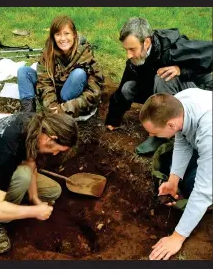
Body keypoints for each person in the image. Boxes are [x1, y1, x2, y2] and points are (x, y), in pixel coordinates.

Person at [0, 111, 78, 254]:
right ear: (51, 138)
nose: (55, 154)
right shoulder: (7, 148)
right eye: (58, 150)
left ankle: (8, 200)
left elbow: (30, 161)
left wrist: (34, 198)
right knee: (22, 177)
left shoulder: (36, 124)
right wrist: (35, 211)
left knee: (53, 191)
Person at [105, 17, 212, 155]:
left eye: (132, 49)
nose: (128, 55)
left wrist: (181, 70)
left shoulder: (173, 49)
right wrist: (113, 118)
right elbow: (123, 86)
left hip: (199, 91)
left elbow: (209, 57)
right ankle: (159, 122)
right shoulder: (136, 59)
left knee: (164, 77)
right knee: (129, 87)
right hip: (164, 91)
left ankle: (161, 135)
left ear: (147, 42)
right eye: (126, 49)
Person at [139, 89, 212, 260]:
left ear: (170, 124)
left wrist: (177, 237)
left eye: (155, 133)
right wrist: (173, 181)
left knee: (195, 186)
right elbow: (182, 139)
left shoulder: (209, 134)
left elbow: (203, 191)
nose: (151, 136)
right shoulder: (177, 103)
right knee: (179, 175)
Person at [17, 15, 104, 118]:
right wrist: (51, 106)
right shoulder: (48, 52)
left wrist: (64, 108)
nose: (63, 39)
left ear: (74, 35)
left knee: (78, 74)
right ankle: (28, 116)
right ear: (53, 36)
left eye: (67, 33)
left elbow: (95, 90)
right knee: (23, 71)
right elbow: (44, 83)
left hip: (70, 98)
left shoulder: (86, 54)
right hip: (54, 91)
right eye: (58, 34)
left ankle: (63, 114)